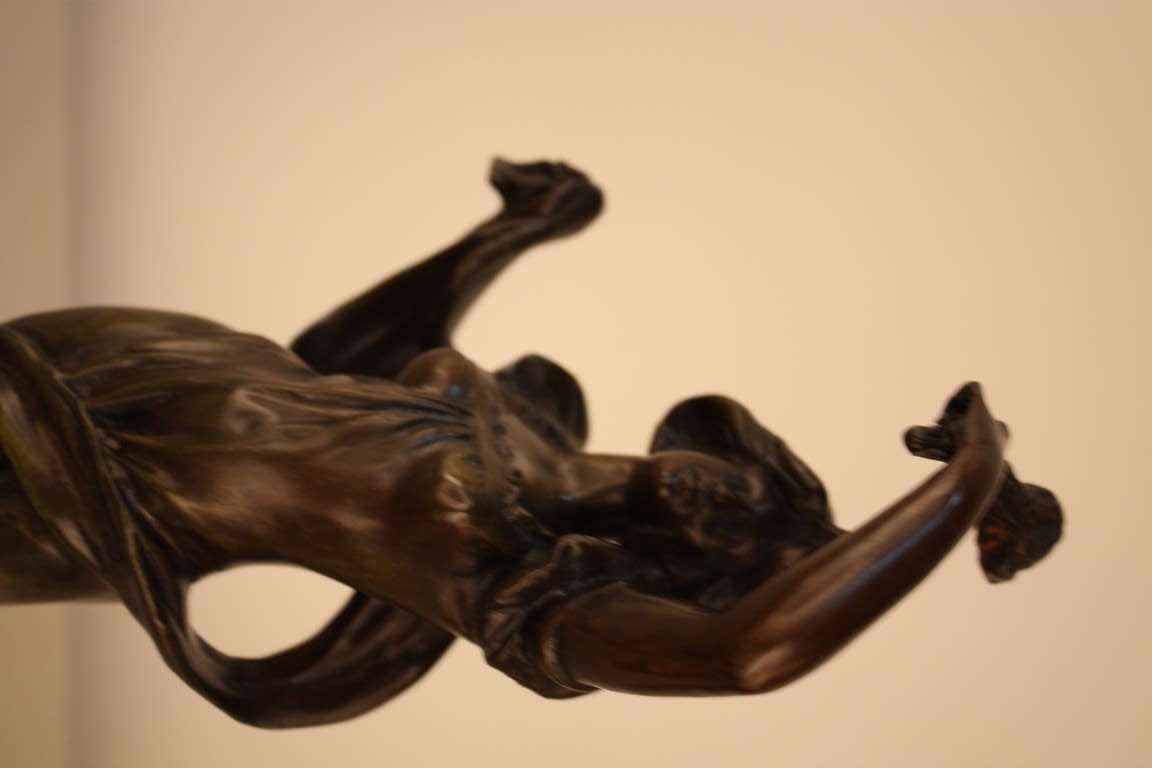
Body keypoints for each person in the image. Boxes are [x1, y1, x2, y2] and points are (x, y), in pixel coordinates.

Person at [0, 159, 1062, 727]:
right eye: (751, 491)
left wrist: (969, 479)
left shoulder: (511, 577)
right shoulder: (522, 421)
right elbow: (335, 364)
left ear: (688, 578)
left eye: (735, 541)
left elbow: (746, 659)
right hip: (81, 366)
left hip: (54, 487)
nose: (724, 501)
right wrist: (510, 232)